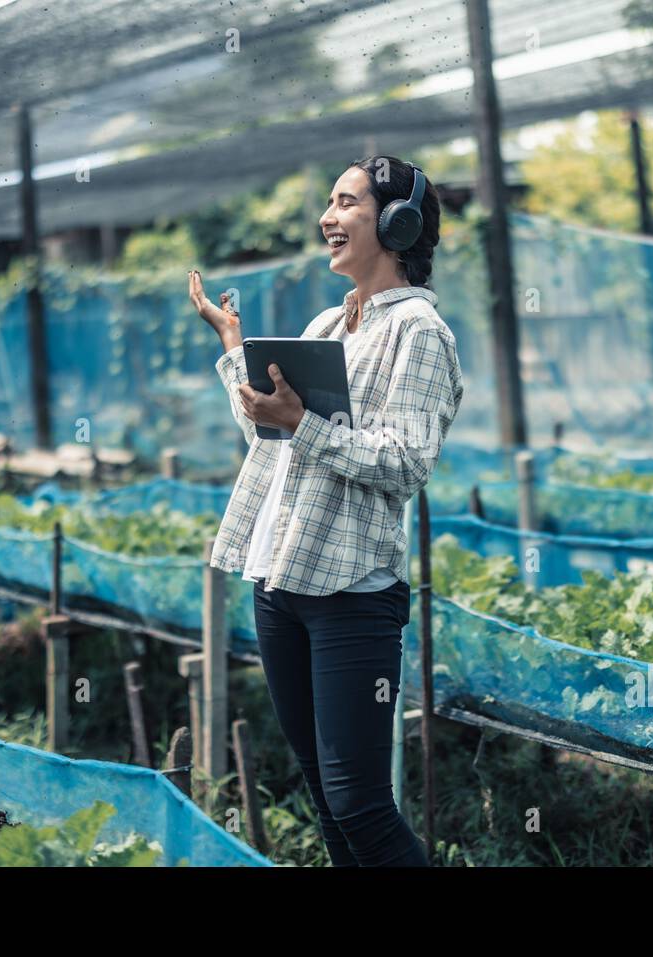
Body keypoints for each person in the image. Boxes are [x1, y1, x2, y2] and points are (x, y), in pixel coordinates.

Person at [187, 155, 463, 866]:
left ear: (396, 224)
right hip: (282, 581)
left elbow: (405, 463)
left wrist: (304, 423)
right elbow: (273, 441)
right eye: (329, 202)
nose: (327, 217)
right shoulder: (327, 325)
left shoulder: (419, 336)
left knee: (361, 807)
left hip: (351, 596)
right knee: (325, 800)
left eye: (346, 203)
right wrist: (235, 357)